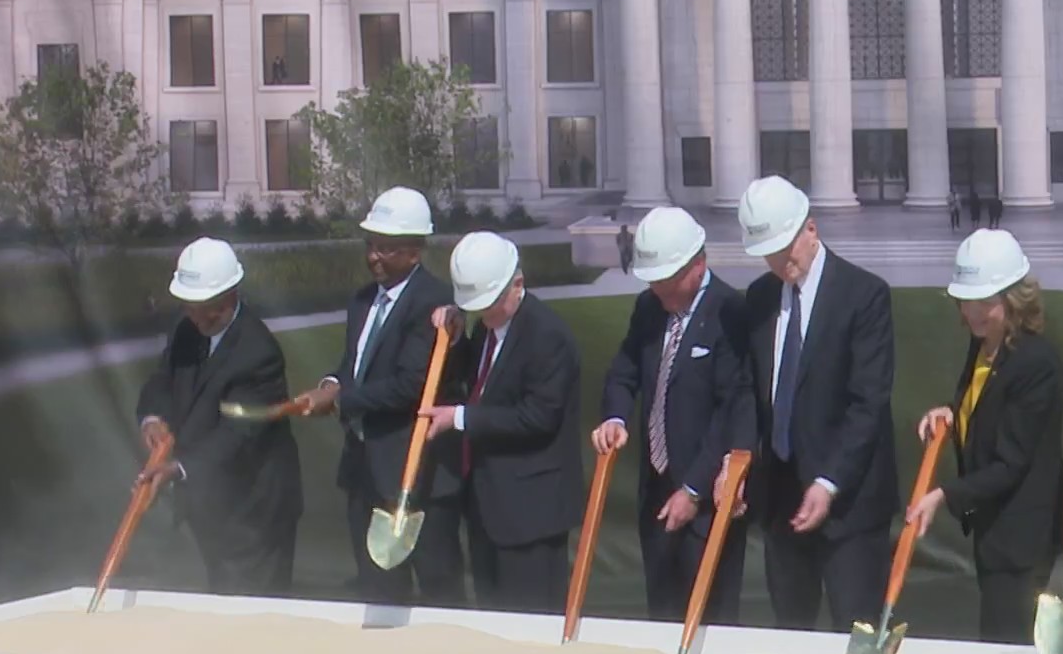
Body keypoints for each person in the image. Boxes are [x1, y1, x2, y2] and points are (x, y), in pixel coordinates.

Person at [728, 175, 899, 632]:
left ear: (811, 229)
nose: (782, 261)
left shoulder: (864, 297)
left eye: (787, 247)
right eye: (769, 252)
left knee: (856, 632)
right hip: (782, 499)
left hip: (850, 507)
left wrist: (828, 482)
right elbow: (750, 388)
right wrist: (740, 458)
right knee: (792, 632)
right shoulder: (761, 298)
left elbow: (868, 403)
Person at [292, 187, 464, 606]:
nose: (374, 257)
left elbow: (411, 385)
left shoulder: (433, 301)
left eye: (386, 249)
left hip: (415, 472)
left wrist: (340, 401)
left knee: (438, 586)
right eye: (371, 245)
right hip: (365, 471)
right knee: (377, 586)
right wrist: (332, 383)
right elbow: (354, 364)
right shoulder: (362, 301)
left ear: (415, 251)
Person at [594, 207, 755, 624]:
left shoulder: (731, 314)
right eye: (654, 281)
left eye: (667, 281)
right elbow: (624, 369)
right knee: (662, 615)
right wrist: (615, 417)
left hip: (707, 502)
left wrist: (693, 489)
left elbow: (732, 408)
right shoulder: (649, 308)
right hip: (656, 494)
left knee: (710, 620)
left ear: (698, 264)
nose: (659, 291)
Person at [906, 230, 1063, 644]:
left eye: (985, 303)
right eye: (966, 301)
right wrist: (952, 413)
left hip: (1022, 539)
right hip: (995, 532)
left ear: (1015, 299)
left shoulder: (1036, 363)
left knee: (1010, 646)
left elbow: (1011, 461)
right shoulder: (985, 345)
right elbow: (982, 410)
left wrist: (942, 496)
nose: (972, 313)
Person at [420, 231, 584, 614]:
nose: (483, 312)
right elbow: (481, 383)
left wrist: (459, 418)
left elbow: (538, 417)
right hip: (489, 507)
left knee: (530, 623)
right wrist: (458, 339)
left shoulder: (548, 337)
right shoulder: (487, 328)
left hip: (531, 515)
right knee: (494, 617)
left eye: (489, 303)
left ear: (518, 284)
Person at [135, 237, 303, 596]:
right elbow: (164, 379)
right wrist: (152, 418)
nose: (196, 317)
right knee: (219, 600)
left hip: (255, 514)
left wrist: (177, 469)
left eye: (206, 307)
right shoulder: (187, 329)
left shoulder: (258, 352)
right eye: (189, 306)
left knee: (253, 614)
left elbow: (237, 435)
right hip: (212, 504)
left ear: (231, 296)